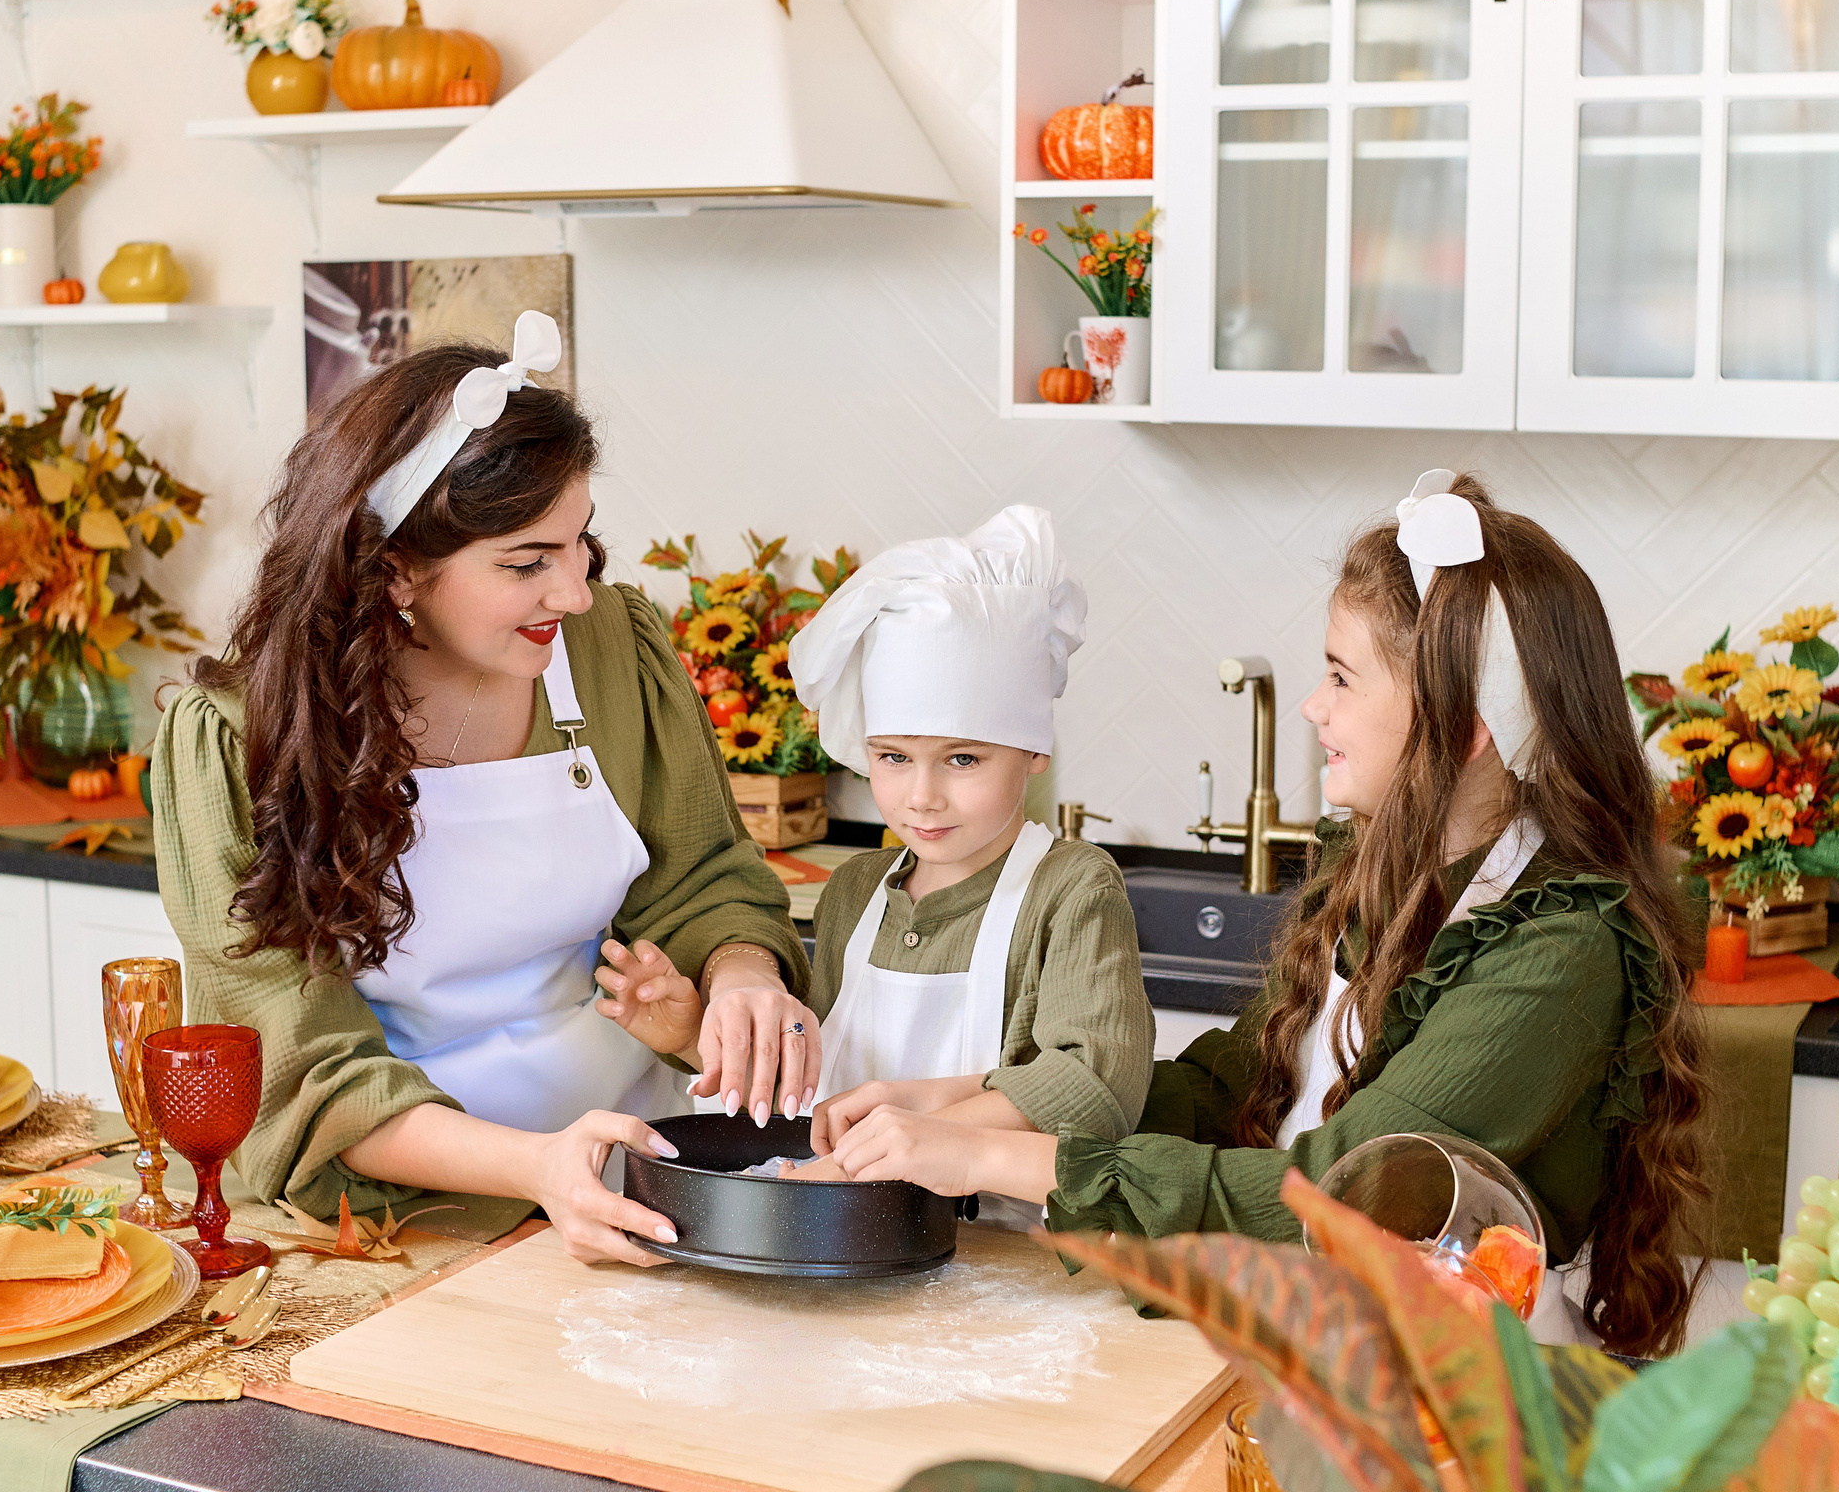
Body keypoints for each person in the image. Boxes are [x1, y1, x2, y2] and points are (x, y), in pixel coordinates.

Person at [823, 472, 1712, 1356]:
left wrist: (990, 1159)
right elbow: (1229, 1092)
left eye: (1340, 677)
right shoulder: (1376, 870)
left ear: (1460, 722)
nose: (1315, 708)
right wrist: (983, 1098)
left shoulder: (1558, 947)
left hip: (1471, 1402)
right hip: (1321, 1343)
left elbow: (1339, 1197)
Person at [149, 315, 814, 1266]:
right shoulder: (235, 745)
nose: (574, 592)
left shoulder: (607, 647)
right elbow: (302, 1069)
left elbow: (703, 875)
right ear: (394, 573)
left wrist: (740, 973)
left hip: (642, 1181)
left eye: (579, 544)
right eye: (525, 564)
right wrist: (539, 1168)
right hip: (396, 1213)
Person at [618, 508, 1154, 1222]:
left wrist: (925, 1137)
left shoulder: (1072, 889)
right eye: (893, 758)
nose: (922, 796)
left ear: (1033, 752)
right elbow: (813, 1090)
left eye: (963, 759)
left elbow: (1095, 1087)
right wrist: (692, 1033)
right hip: (847, 1247)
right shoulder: (855, 892)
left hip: (1007, 1261)